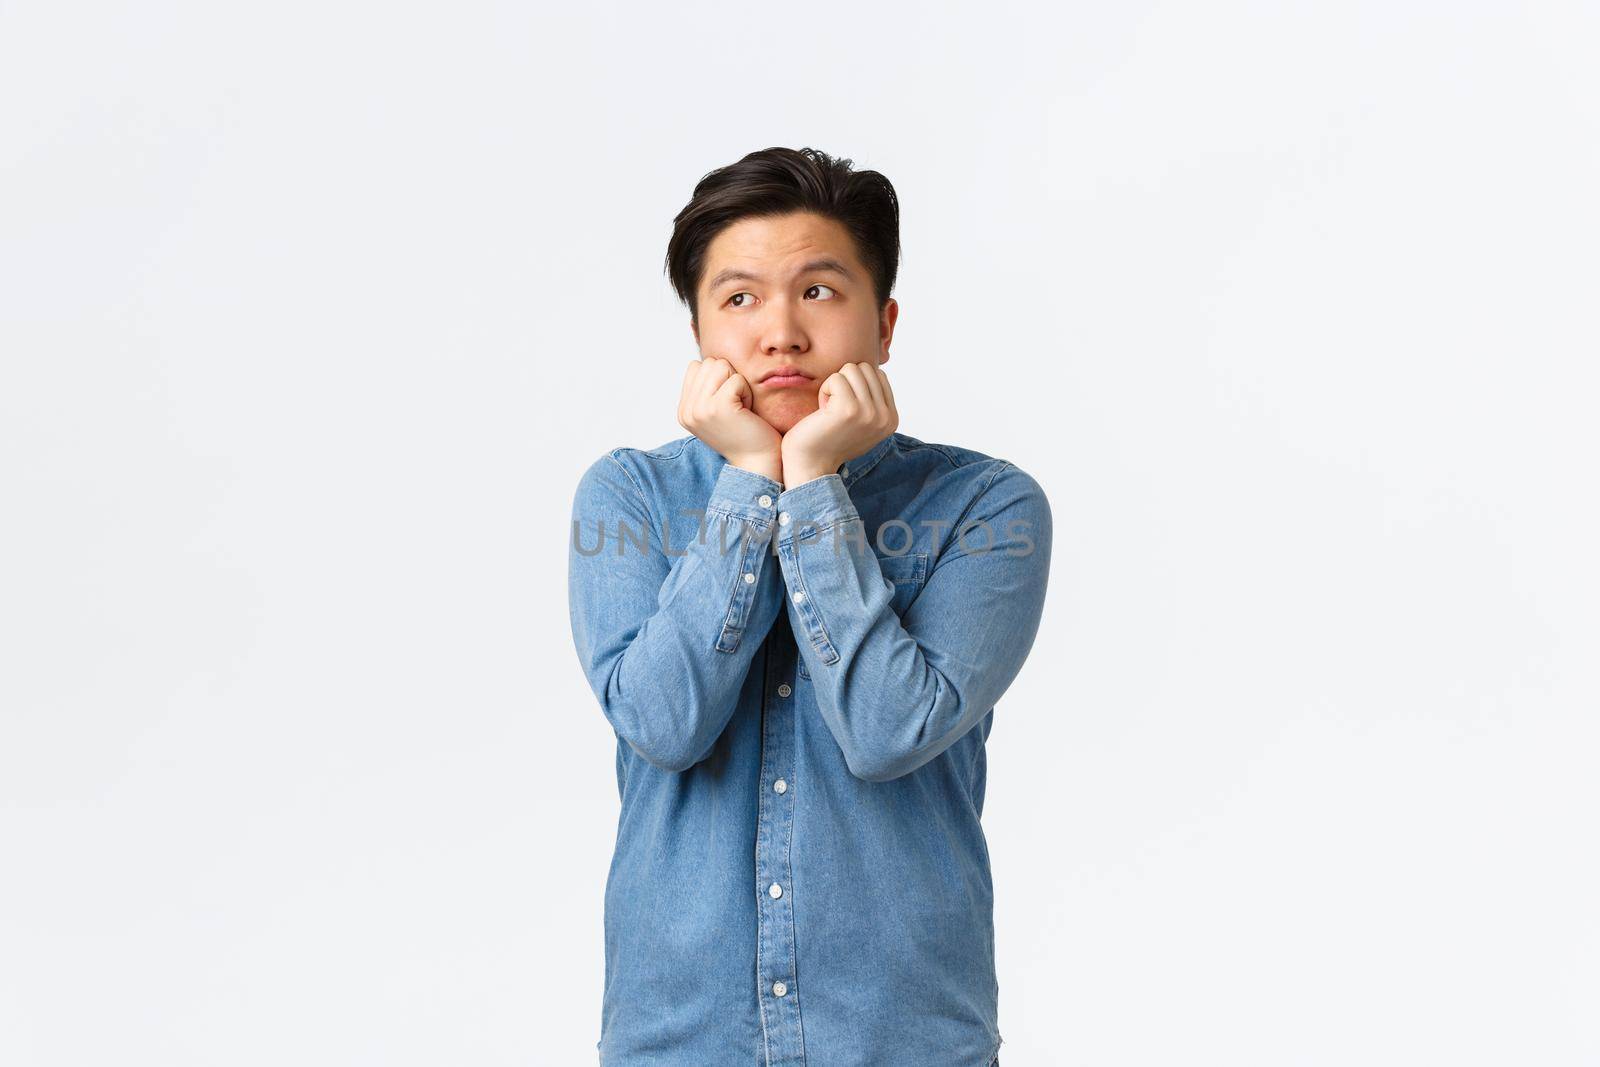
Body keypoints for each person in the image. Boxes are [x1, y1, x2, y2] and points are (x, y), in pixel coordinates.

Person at [567, 146, 1048, 1066]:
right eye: (739, 299)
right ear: (700, 330)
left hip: (903, 1039)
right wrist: (751, 480)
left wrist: (814, 481)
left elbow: (888, 730)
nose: (779, 332)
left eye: (819, 292)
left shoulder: (987, 507)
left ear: (886, 321)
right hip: (680, 1039)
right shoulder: (627, 497)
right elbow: (663, 723)